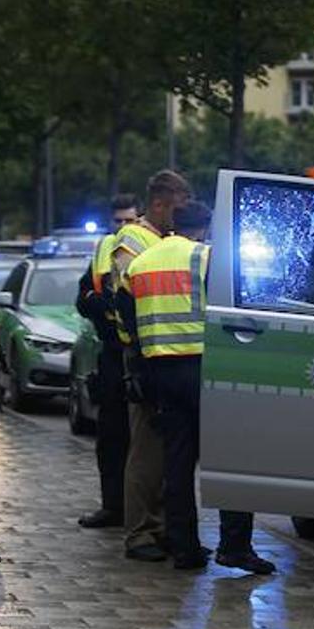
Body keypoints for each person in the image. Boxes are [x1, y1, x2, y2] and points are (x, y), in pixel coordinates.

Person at [127, 200, 274, 574]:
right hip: (205, 367)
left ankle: (185, 549)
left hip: (160, 371)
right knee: (232, 456)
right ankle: (235, 546)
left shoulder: (142, 262)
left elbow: (127, 317)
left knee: (177, 463)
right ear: (206, 228)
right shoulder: (205, 259)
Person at [114, 170, 191, 562]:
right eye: (178, 205)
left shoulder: (168, 240)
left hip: (172, 357)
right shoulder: (133, 240)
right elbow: (126, 302)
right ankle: (140, 532)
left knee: (167, 450)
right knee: (146, 451)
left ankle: (161, 527)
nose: (182, 213)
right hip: (145, 356)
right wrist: (141, 360)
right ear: (160, 202)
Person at [74, 193, 140, 529]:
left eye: (129, 220)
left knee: (144, 441)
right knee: (111, 439)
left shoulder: (151, 247)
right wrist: (98, 304)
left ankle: (143, 512)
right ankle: (113, 506)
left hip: (143, 354)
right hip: (112, 353)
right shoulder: (104, 249)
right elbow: (83, 296)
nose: (124, 227)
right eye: (118, 221)